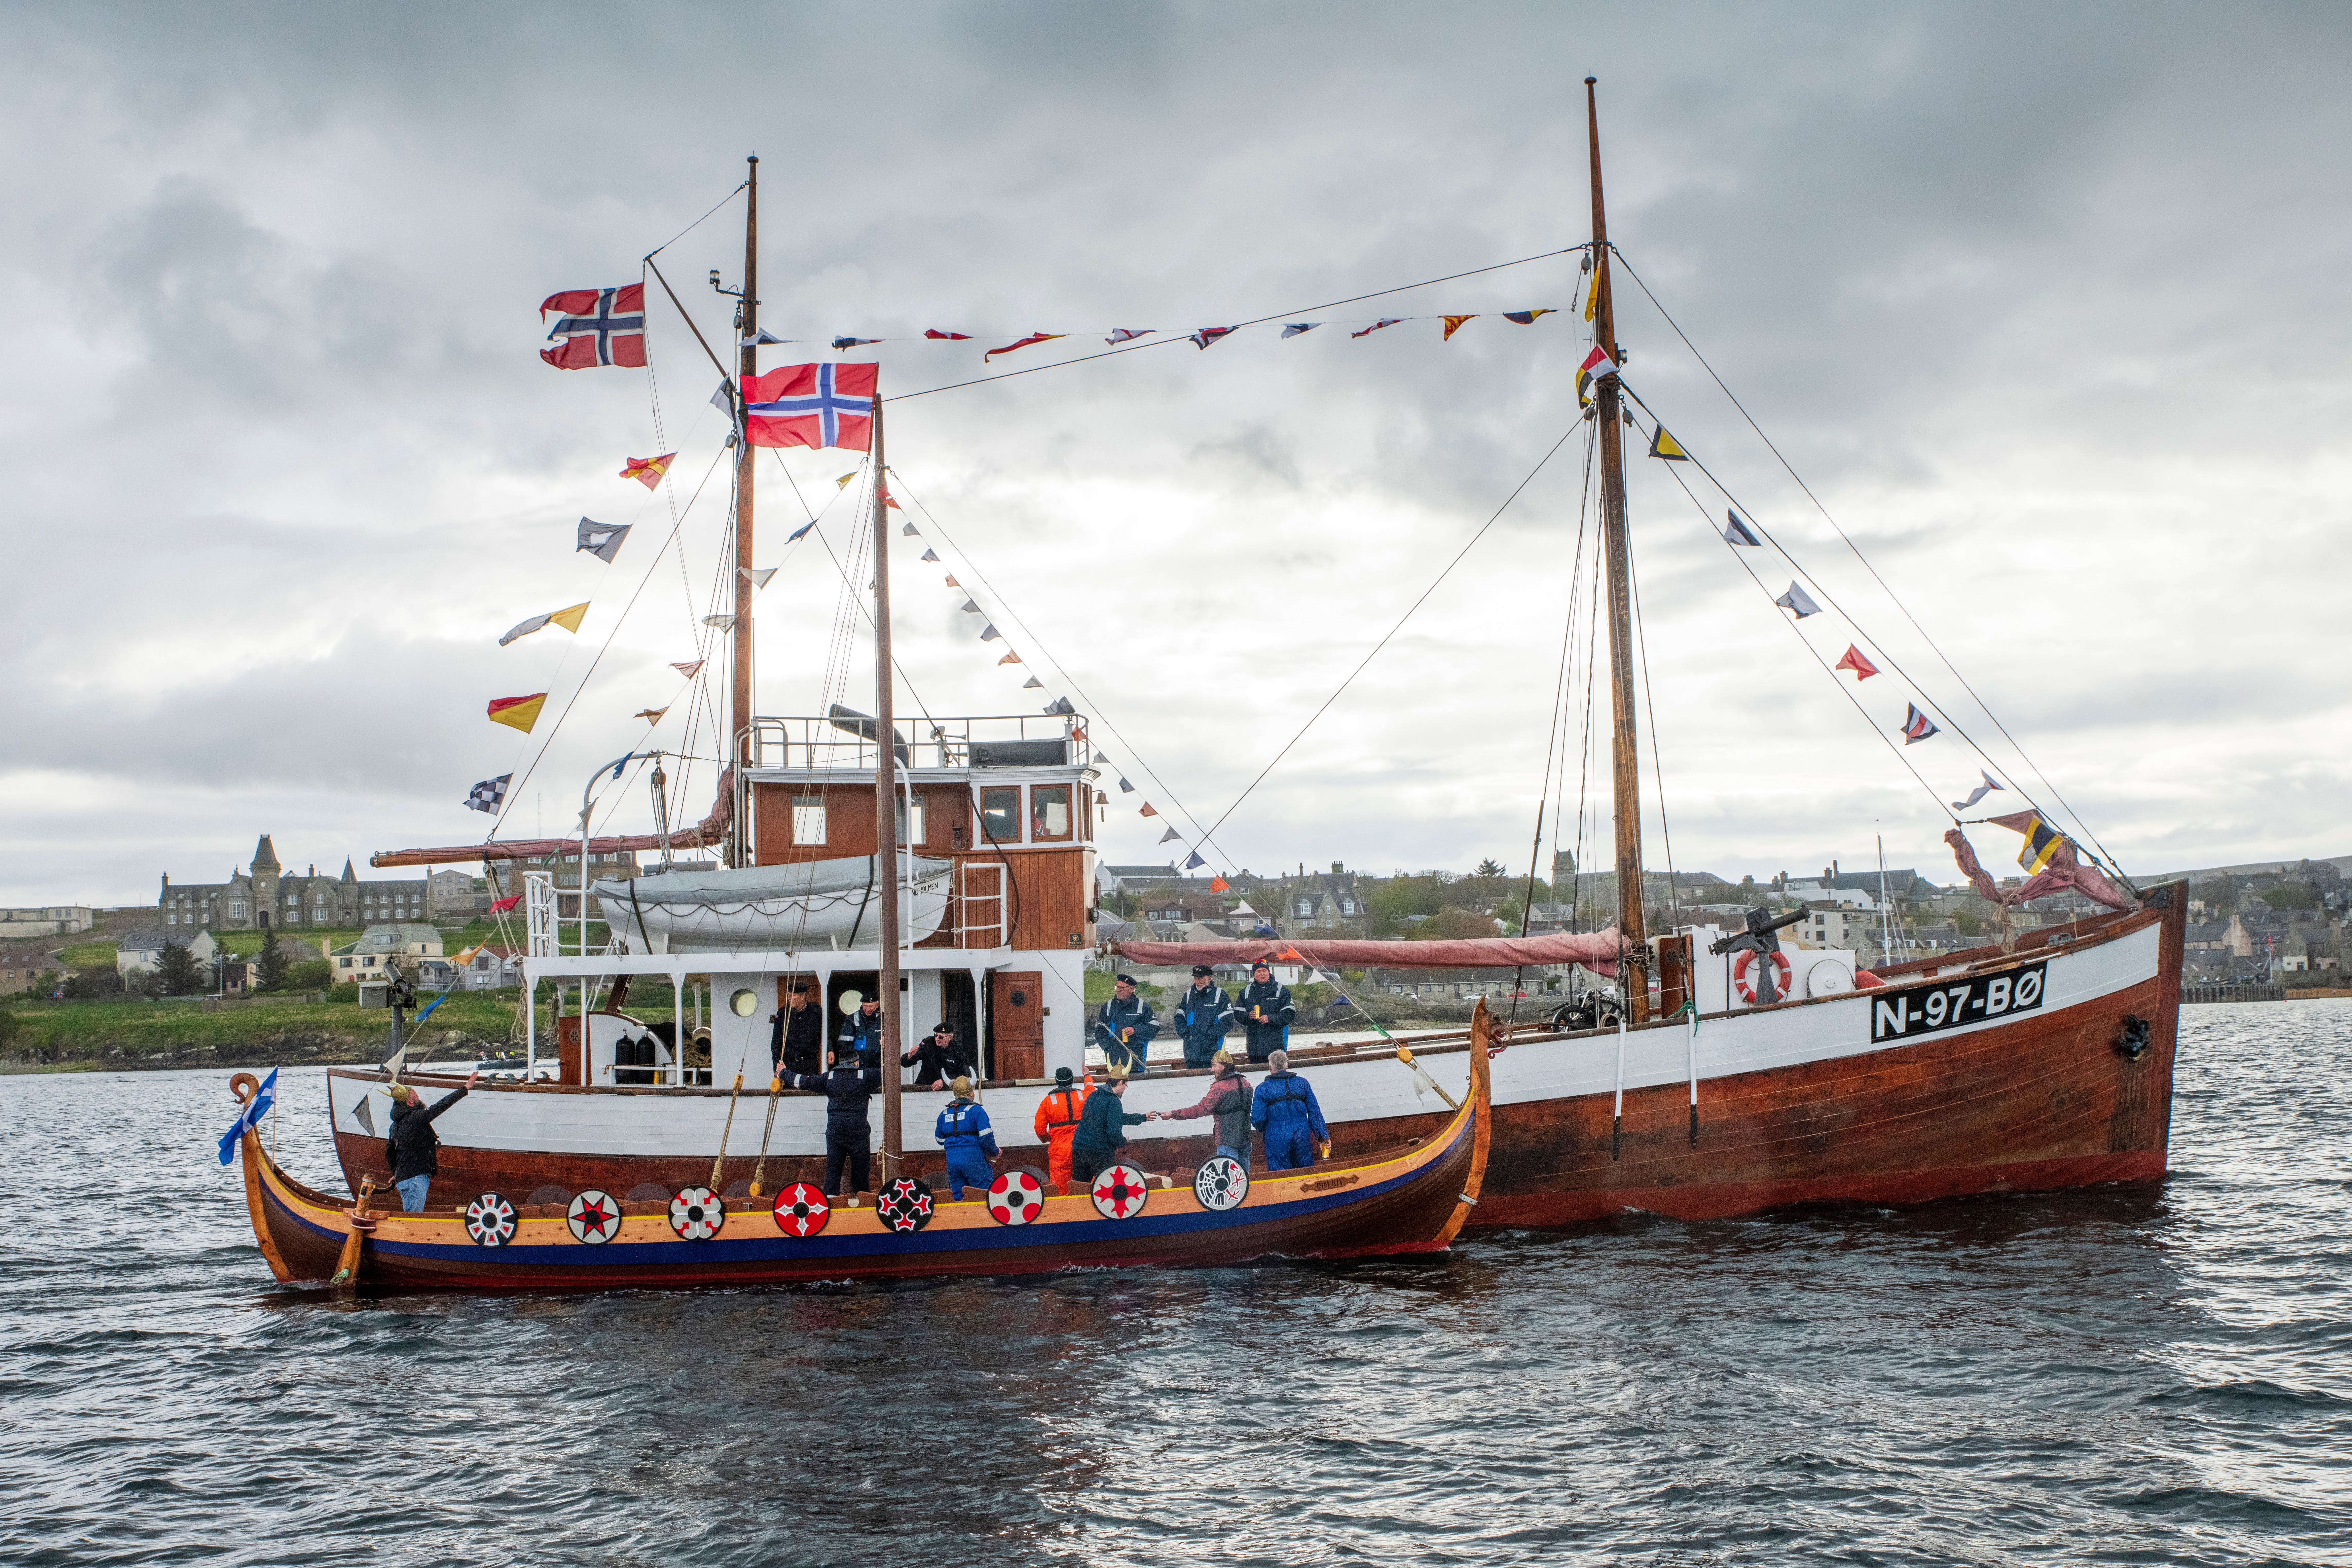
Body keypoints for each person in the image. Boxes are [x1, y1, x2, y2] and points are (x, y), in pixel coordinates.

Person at [790, 1041, 884, 1198]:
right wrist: (888, 1049)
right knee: (861, 1170)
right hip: (858, 1130)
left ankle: (830, 1201)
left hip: (835, 1130)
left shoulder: (829, 1078)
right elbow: (889, 1072)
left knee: (833, 1168)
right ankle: (863, 1200)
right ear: (856, 1062)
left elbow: (804, 1082)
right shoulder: (866, 1076)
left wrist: (783, 1072)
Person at [384, 1073, 479, 1211]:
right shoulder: (416, 1118)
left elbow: (390, 1152)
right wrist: (466, 1088)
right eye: (416, 1096)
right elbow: (440, 1106)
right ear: (410, 1102)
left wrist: (397, 1173)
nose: (419, 1098)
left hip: (403, 1179)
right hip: (415, 1178)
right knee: (413, 1221)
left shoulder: (395, 1126)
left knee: (410, 1215)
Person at [1152, 1048, 1253, 1165]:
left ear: (1224, 1066)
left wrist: (1173, 1114)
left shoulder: (1220, 1088)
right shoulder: (1247, 1084)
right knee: (1245, 1178)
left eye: (1215, 1066)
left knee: (1231, 1180)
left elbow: (1200, 1110)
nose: (1212, 1070)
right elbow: (1232, 1108)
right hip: (1246, 1141)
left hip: (1227, 1142)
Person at [1069, 1065, 1149, 1188]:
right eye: (1125, 1086)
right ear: (1120, 1082)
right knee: (1108, 1189)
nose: (1124, 1090)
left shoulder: (1094, 1096)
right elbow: (1114, 1133)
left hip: (1079, 1149)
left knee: (1080, 1189)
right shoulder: (1114, 1102)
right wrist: (1122, 1142)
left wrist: (1142, 1118)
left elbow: (1115, 1118)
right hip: (1099, 1153)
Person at [1250, 1049, 1328, 1172]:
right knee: (1305, 1173)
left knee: (1280, 1176)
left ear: (1270, 1067)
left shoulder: (1262, 1089)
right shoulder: (1303, 1083)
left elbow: (1258, 1119)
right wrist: (1323, 1137)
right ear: (1287, 1065)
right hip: (1302, 1135)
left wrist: (1265, 1130)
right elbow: (1315, 1112)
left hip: (1276, 1137)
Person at [934, 1076, 999, 1200]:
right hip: (975, 1162)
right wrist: (995, 1152)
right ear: (971, 1093)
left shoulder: (944, 1114)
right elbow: (987, 1138)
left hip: (953, 1163)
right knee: (982, 1197)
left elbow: (940, 1141)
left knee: (959, 1197)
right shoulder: (977, 1111)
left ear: (955, 1094)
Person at [1032, 1065, 1091, 1194]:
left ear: (1057, 1081)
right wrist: (1087, 1075)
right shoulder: (1084, 1096)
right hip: (1082, 1146)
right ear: (1072, 1081)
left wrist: (1047, 1139)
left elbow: (1039, 1129)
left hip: (1059, 1149)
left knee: (1060, 1187)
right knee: (1085, 1184)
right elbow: (1091, 1089)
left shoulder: (1048, 1101)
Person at [1092, 973, 1159, 1076]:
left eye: (1122, 988)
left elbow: (1153, 1029)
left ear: (1132, 989)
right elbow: (1100, 1031)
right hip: (1113, 1062)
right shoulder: (1108, 1007)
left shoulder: (1144, 1007)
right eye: (1117, 987)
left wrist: (1135, 1030)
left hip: (1136, 1062)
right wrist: (1107, 1048)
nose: (1118, 990)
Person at [1170, 963, 1233, 1070]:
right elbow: (1179, 1017)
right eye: (1195, 978)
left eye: (1201, 978)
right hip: (1191, 1053)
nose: (1197, 982)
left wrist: (1209, 1036)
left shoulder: (1220, 995)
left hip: (1213, 1053)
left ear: (1209, 978)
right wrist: (1185, 1035)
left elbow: (1227, 1021)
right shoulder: (1188, 995)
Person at [1236, 960, 1297, 1063]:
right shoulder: (1246, 992)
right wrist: (1248, 1016)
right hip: (1255, 1049)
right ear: (1254, 975)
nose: (1262, 974)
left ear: (1269, 972)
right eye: (1259, 971)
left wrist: (1270, 1018)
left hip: (1275, 1048)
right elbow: (1237, 1014)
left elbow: (1289, 1014)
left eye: (1265, 971)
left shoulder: (1282, 990)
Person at [901, 1020, 976, 1090]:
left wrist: (944, 1081)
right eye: (936, 1035)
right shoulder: (928, 1044)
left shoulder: (957, 1050)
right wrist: (910, 1056)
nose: (937, 1039)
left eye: (941, 1037)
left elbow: (963, 1073)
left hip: (947, 1089)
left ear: (950, 1038)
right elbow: (905, 1064)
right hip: (925, 1087)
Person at [770, 982, 824, 1077]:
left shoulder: (816, 1012)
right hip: (789, 1064)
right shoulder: (783, 1014)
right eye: (788, 995)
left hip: (809, 1065)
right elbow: (776, 1043)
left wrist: (830, 1050)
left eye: (792, 995)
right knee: (789, 1092)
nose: (788, 998)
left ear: (803, 997)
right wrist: (776, 1066)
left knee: (810, 1090)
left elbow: (823, 1034)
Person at [839, 992, 885, 1067]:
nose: (868, 1009)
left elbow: (896, 1044)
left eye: (871, 1006)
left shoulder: (885, 1019)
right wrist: (852, 1060)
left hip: (879, 1066)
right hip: (859, 1066)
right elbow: (844, 1044)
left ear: (877, 1005)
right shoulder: (852, 1019)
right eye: (865, 1006)